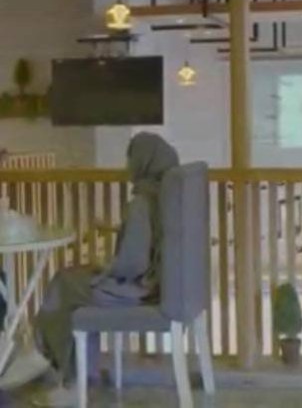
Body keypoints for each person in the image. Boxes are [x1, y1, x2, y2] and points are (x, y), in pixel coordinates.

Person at [0, 132, 179, 406]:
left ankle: (56, 366)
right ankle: (64, 369)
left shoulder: (141, 204)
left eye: (130, 159)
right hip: (152, 286)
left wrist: (106, 268)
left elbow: (133, 263)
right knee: (69, 279)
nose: (127, 166)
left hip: (134, 290)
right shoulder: (163, 196)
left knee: (64, 285)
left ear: (143, 161)